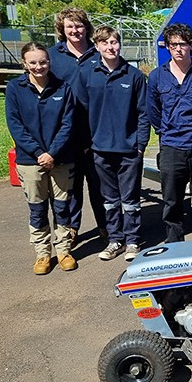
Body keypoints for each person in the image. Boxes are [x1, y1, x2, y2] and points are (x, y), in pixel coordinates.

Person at [73, 26, 149, 262]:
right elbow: (78, 110)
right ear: (96, 46)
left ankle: (133, 241)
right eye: (105, 43)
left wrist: (140, 145)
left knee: (130, 200)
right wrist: (87, 144)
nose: (110, 47)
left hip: (128, 150)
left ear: (120, 44)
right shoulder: (87, 73)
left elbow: (143, 113)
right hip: (100, 150)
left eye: (114, 42)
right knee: (109, 200)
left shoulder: (134, 76)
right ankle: (115, 240)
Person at [6, 42, 76, 274]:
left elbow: (68, 124)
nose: (39, 66)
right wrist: (39, 153)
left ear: (49, 62)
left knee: (62, 207)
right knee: (37, 209)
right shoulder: (15, 89)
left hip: (61, 159)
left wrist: (52, 153)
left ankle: (64, 250)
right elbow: (15, 126)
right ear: (24, 64)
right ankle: (43, 254)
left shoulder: (63, 88)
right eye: (33, 62)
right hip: (30, 161)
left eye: (43, 61)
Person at [148, 23, 192, 243]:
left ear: (191, 46)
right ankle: (174, 241)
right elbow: (153, 110)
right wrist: (164, 131)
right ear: (167, 46)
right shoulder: (158, 76)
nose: (178, 49)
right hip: (171, 147)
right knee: (171, 198)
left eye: (183, 44)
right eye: (173, 44)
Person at [48, 7, 107, 246]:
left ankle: (106, 226)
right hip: (66, 135)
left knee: (100, 186)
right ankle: (70, 230)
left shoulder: (98, 53)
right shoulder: (53, 56)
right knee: (69, 191)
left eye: (79, 25)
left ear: (87, 28)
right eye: (70, 26)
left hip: (96, 134)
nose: (75, 30)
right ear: (62, 29)